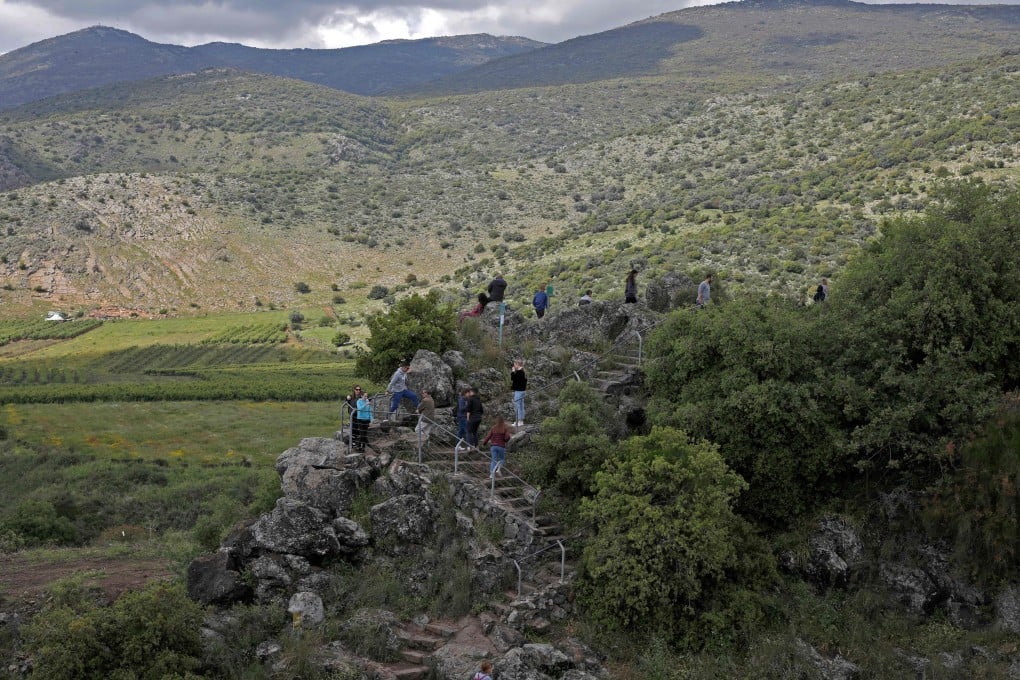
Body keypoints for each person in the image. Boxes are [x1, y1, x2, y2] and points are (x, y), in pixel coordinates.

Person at [510, 359, 527, 427]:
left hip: (519, 391)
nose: (514, 365)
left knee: (517, 406)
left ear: (518, 364)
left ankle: (519, 421)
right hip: (522, 391)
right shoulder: (522, 372)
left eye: (515, 364)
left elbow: (513, 379)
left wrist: (513, 372)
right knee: (521, 406)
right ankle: (521, 420)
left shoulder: (520, 372)